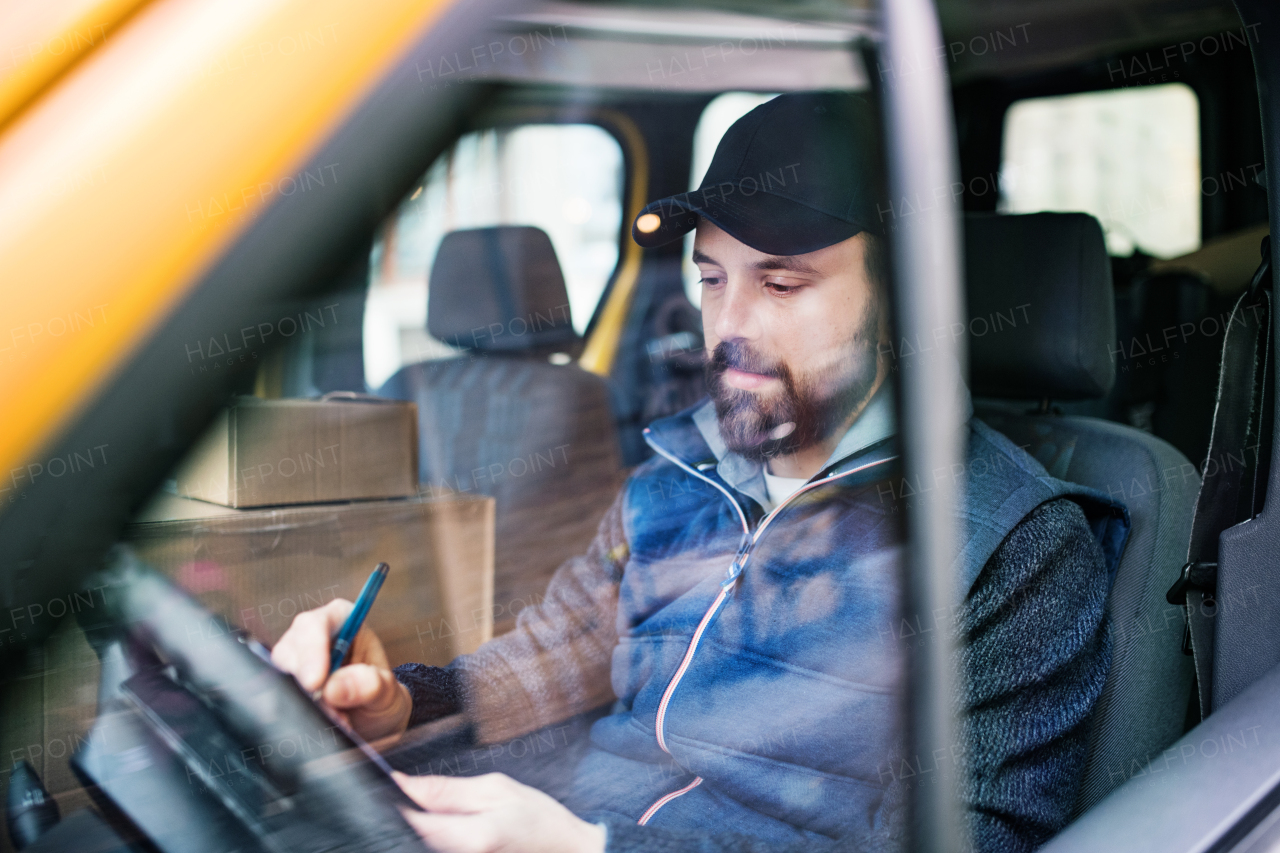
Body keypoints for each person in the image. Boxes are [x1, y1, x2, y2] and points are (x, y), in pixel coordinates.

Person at [272, 92, 1128, 853]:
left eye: (783, 285)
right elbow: (550, 655)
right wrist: (402, 704)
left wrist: (585, 846)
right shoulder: (678, 474)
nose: (731, 325)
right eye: (713, 279)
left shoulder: (1014, 546)